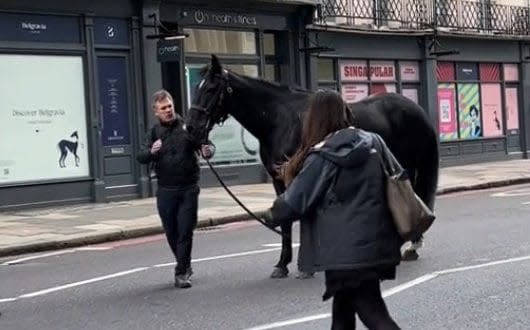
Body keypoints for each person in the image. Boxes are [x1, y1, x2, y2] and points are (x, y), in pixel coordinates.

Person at [262, 90, 402, 329]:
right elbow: (398, 176)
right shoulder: (374, 142)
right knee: (342, 316)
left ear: (316, 119)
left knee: (374, 314)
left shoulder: (323, 156)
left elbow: (295, 200)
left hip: (345, 254)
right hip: (375, 244)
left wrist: (271, 215)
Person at [137, 89, 215, 289]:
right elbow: (141, 155)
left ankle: (181, 272)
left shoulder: (188, 127)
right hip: (165, 190)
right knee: (171, 232)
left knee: (184, 231)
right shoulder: (154, 132)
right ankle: (185, 264)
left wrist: (208, 150)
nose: (168, 110)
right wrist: (151, 151)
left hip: (188, 188)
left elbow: (207, 145)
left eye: (170, 106)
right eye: (163, 108)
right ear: (156, 112)